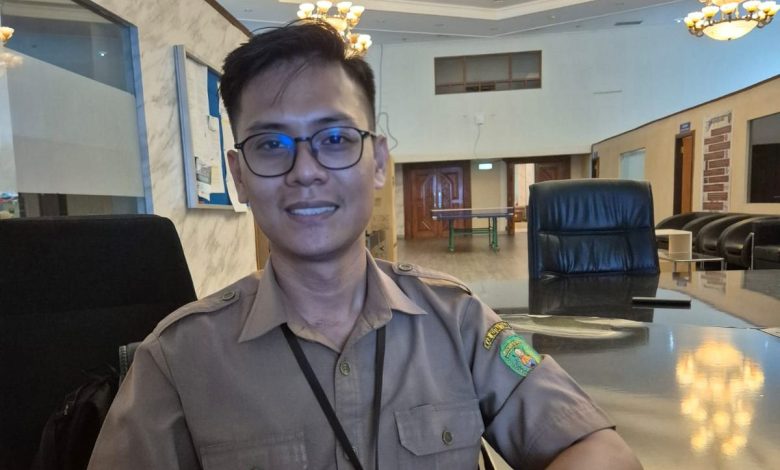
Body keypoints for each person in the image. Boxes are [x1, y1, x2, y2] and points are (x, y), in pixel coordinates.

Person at [88, 21, 641, 470]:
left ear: (377, 162)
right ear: (239, 175)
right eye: (271, 144)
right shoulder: (176, 361)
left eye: (334, 139)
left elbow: (603, 452)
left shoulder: (458, 321)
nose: (305, 170)